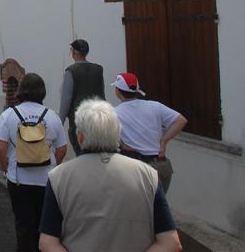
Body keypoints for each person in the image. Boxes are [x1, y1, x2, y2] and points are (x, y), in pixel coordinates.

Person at [39, 99, 182, 252]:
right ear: (118, 135)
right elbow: (171, 243)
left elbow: (47, 243)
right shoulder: (148, 175)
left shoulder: (58, 177)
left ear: (80, 138)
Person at [0, 73, 67, 252]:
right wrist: (53, 166)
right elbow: (62, 149)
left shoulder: (8, 115)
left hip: (19, 179)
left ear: (21, 91)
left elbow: (0, 150)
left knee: (24, 224)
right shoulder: (52, 116)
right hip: (46, 180)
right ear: (42, 92)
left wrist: (5, 168)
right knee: (46, 224)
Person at [112, 73, 187, 194]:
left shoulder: (114, 113)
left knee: (137, 205)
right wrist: (164, 141)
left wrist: (122, 144)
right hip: (160, 167)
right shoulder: (155, 106)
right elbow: (181, 121)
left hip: (136, 169)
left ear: (118, 91)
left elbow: (109, 135)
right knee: (158, 204)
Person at [59, 39, 104, 156]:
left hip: (78, 121)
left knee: (82, 154)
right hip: (98, 119)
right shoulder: (98, 70)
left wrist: (59, 123)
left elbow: (66, 99)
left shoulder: (71, 71)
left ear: (74, 52)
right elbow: (102, 95)